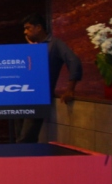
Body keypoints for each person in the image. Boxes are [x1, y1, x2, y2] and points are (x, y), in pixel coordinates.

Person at [15, 13, 82, 143]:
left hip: (38, 97)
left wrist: (70, 89)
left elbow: (73, 61)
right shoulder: (30, 46)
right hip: (20, 96)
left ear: (39, 27)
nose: (25, 32)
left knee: (26, 138)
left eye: (28, 28)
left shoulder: (55, 44)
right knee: (18, 136)